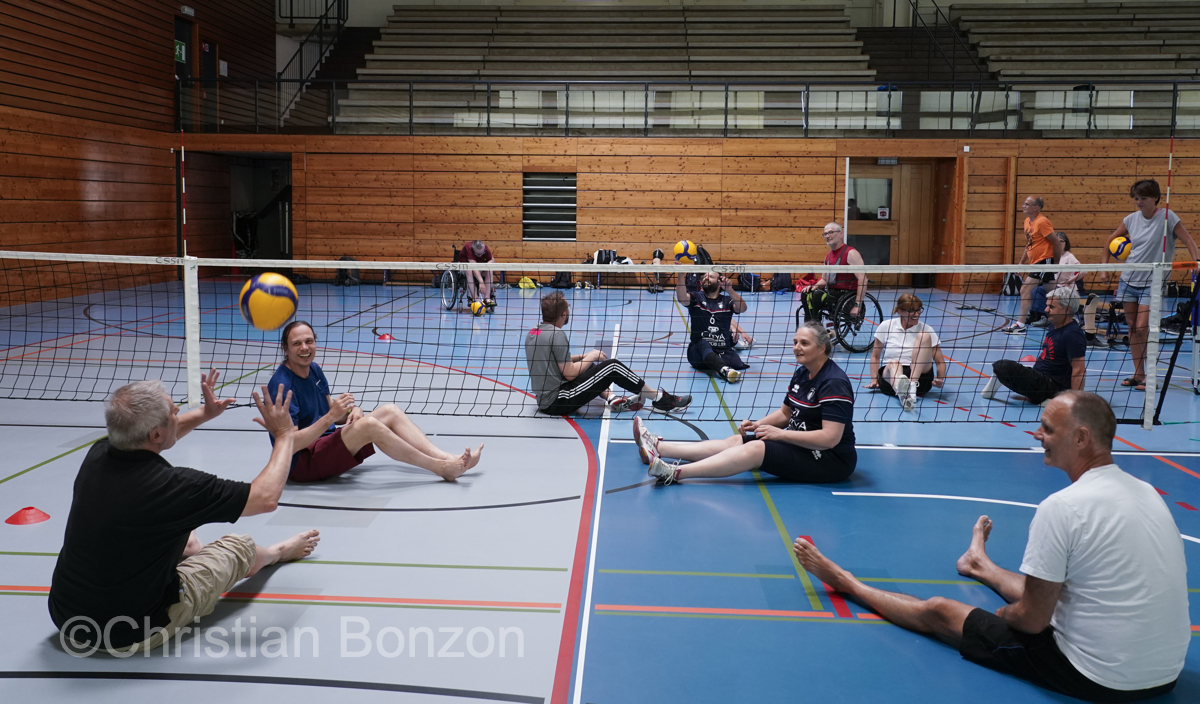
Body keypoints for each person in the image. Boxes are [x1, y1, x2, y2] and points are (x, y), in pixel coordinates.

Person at [793, 391, 1188, 702]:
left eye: (1048, 429)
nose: (1039, 435)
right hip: (1165, 675)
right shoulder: (1147, 492)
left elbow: (1031, 621)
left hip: (1099, 678)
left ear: (1081, 438)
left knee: (939, 610)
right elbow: (1062, 594)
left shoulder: (1063, 507)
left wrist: (1004, 613)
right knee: (1057, 589)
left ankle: (848, 583)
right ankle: (979, 564)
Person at [49, 371, 321, 655]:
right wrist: (285, 436)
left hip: (67, 617)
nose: (178, 410)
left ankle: (189, 551)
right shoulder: (176, 487)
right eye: (172, 411)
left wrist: (204, 413)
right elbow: (264, 498)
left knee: (183, 536)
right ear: (156, 434)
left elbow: (155, 435)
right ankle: (276, 552)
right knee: (240, 546)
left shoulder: (99, 453)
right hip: (130, 631)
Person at [634, 321, 855, 485]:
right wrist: (758, 425)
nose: (797, 347)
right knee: (737, 440)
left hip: (829, 459)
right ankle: (658, 447)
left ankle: (674, 473)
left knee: (756, 449)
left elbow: (829, 439)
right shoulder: (802, 373)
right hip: (802, 445)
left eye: (804, 343)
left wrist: (781, 434)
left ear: (822, 348)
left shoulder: (833, 382)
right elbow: (785, 414)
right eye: (795, 342)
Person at [268, 321, 481, 482]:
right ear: (285, 349)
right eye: (297, 344)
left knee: (390, 410)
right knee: (370, 426)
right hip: (300, 464)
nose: (305, 347)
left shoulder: (313, 369)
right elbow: (289, 444)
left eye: (309, 341)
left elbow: (331, 413)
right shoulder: (282, 386)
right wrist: (330, 418)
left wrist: (353, 411)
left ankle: (449, 458)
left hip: (324, 445)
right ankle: (440, 468)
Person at [1100, 179, 1199, 391]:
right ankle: (1139, 374)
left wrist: (1196, 261)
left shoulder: (1167, 217)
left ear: (1155, 198)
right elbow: (1109, 242)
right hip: (1128, 280)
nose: (1138, 202)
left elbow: (1189, 241)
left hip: (1152, 282)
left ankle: (1150, 374)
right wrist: (1103, 268)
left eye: (1143, 198)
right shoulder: (1130, 220)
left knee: (1144, 327)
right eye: (1136, 198)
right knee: (1133, 327)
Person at [525, 291, 692, 415]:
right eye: (568, 307)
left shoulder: (534, 332)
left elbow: (554, 363)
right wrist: (592, 355)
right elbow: (569, 374)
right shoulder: (557, 334)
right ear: (563, 314)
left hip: (544, 400)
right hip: (559, 400)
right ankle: (660, 400)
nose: (569, 309)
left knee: (592, 366)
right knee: (612, 367)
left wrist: (584, 357)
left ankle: (612, 398)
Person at [982, 287, 1085, 405]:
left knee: (1003, 366)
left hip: (1051, 385)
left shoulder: (1072, 335)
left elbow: (1079, 370)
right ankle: (1046, 398)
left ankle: (1054, 397)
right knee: (1024, 362)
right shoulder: (1055, 325)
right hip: (1042, 377)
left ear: (1067, 309)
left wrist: (1074, 401)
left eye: (1052, 307)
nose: (1046, 309)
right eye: (1047, 305)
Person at [866, 293, 948, 412]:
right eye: (912, 311)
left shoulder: (927, 329)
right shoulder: (886, 326)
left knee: (924, 336)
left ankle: (911, 387)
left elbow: (940, 362)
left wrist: (940, 379)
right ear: (900, 311)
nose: (916, 314)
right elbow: (875, 356)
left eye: (918, 310)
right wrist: (874, 380)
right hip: (891, 377)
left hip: (920, 379)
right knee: (894, 363)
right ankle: (904, 394)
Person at [677, 270, 748, 383]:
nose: (706, 278)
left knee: (736, 363)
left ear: (719, 282)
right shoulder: (696, 298)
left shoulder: (726, 301)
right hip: (697, 353)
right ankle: (723, 370)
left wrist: (729, 289)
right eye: (704, 276)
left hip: (721, 349)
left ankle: (719, 364)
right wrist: (681, 276)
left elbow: (742, 308)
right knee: (702, 343)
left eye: (711, 276)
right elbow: (682, 298)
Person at [1002, 196, 1056, 335]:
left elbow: (1055, 241)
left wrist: (1058, 262)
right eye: (1024, 203)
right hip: (1035, 262)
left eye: (1027, 204)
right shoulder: (1027, 221)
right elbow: (1029, 244)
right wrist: (1021, 263)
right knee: (1054, 292)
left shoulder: (1043, 222)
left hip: (1044, 261)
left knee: (1025, 290)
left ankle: (1020, 324)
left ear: (1036, 208)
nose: (1023, 206)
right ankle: (1073, 316)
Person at [800, 222, 867, 324]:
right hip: (831, 292)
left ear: (841, 234)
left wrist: (858, 305)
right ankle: (810, 325)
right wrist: (814, 286)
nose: (827, 236)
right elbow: (824, 279)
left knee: (818, 295)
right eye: (825, 234)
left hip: (846, 295)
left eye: (831, 232)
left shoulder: (851, 253)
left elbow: (863, 279)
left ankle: (815, 327)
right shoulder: (828, 256)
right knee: (806, 293)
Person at [455, 239, 497, 306]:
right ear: (473, 249)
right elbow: (473, 267)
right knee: (469, 270)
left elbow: (493, 260)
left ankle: (487, 298)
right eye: (477, 254)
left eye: (482, 253)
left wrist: (487, 265)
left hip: (479, 267)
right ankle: (475, 297)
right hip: (465, 268)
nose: (480, 256)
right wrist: (481, 282)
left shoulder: (485, 248)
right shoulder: (468, 248)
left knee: (490, 270)